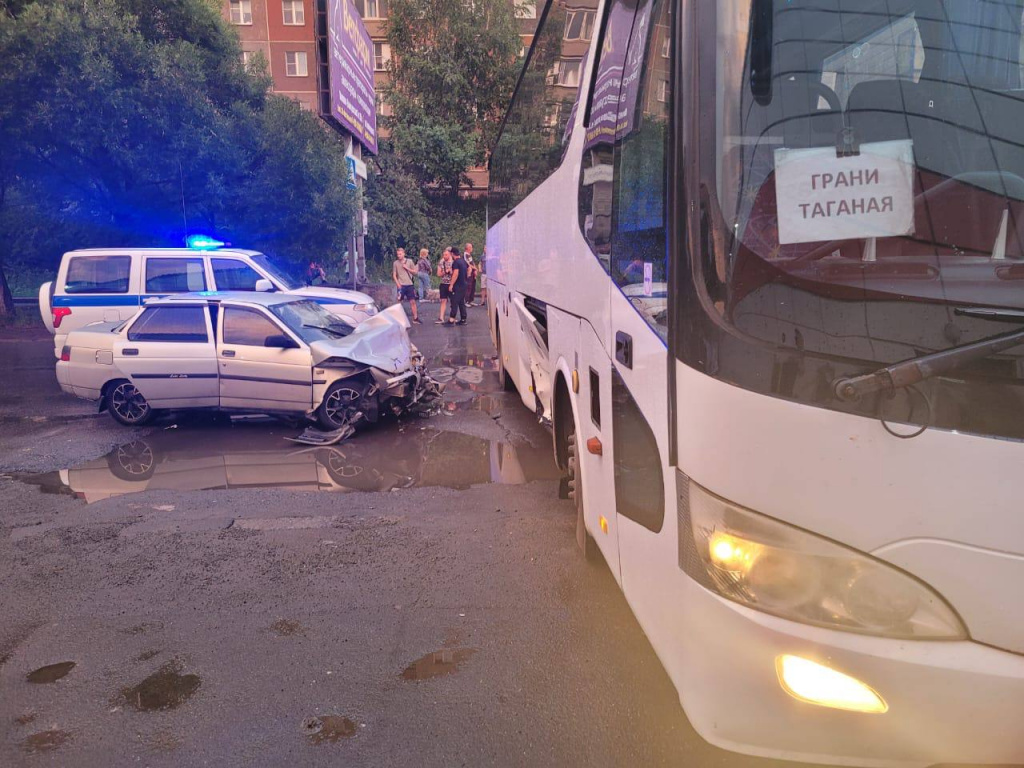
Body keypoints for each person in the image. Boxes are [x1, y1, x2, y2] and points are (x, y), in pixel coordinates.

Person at [392, 247, 422, 324]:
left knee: (412, 301)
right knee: (399, 302)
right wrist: (398, 284)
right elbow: (394, 275)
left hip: (409, 285)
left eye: (400, 254)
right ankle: (398, 319)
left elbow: (415, 272)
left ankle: (415, 318)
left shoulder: (409, 261)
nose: (399, 255)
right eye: (398, 254)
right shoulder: (395, 263)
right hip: (401, 285)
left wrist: (407, 268)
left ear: (404, 254)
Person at [446, 245, 468, 325]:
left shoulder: (456, 262)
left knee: (454, 301)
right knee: (461, 302)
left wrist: (451, 285)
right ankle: (463, 319)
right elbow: (468, 269)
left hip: (458, 285)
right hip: (464, 284)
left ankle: (451, 319)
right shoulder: (463, 261)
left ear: (452, 254)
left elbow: (455, 273)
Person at [435, 247, 454, 324]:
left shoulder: (454, 262)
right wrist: (445, 272)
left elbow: (456, 274)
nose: (444, 256)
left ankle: (452, 317)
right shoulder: (441, 262)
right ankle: (441, 317)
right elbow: (438, 274)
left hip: (451, 284)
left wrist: (451, 271)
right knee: (443, 300)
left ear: (450, 255)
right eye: (443, 255)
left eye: (446, 255)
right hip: (443, 284)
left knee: (453, 302)